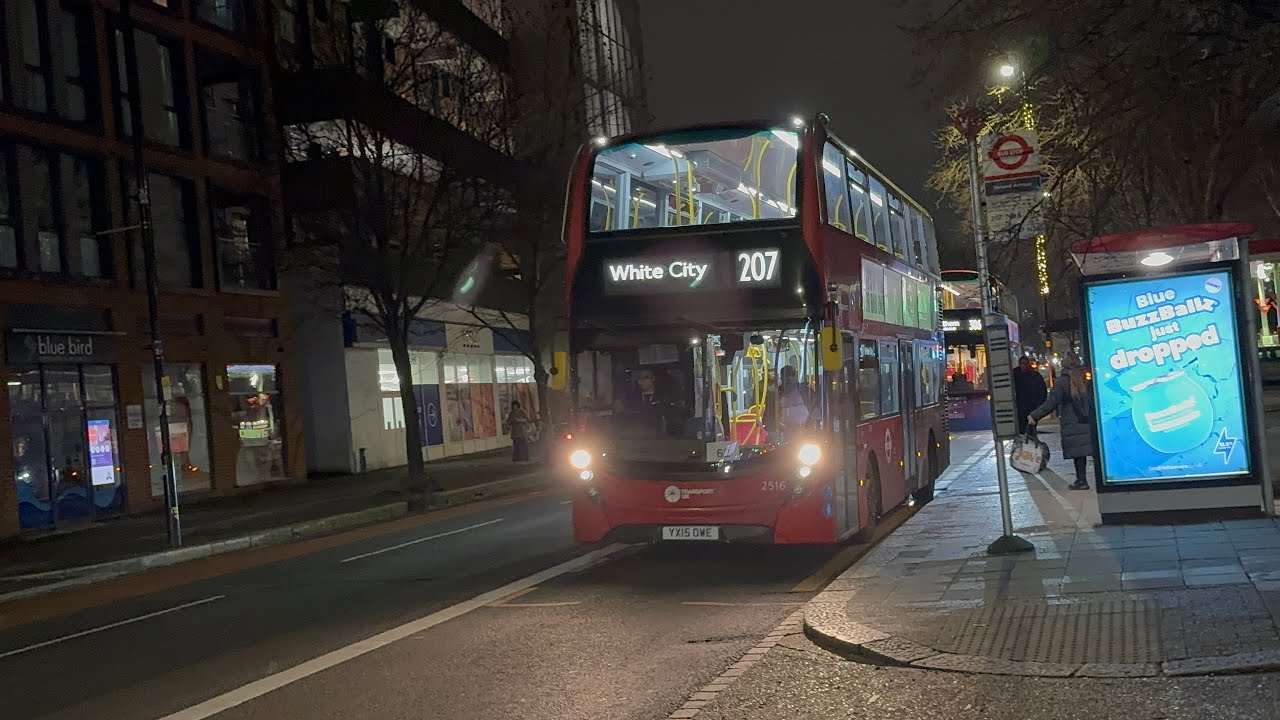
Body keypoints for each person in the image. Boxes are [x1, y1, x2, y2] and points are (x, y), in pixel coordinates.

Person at [1028, 353, 1096, 490]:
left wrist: (1035, 416)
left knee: (1079, 453)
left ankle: (1081, 480)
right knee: (1088, 451)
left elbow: (1051, 402)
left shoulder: (1063, 382)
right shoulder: (1086, 378)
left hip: (1072, 422)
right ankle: (1089, 479)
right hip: (1087, 421)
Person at [1012, 356, 1048, 435]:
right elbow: (1042, 391)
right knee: (1026, 430)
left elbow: (1042, 391)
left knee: (1027, 430)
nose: (1023, 366)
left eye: (1025, 364)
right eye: (1022, 364)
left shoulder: (1015, 375)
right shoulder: (1034, 375)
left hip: (1027, 408)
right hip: (1024, 408)